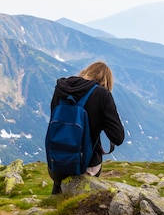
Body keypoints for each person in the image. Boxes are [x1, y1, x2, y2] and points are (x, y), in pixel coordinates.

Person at [48, 61, 125, 194]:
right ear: (107, 82)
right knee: (94, 165)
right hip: (85, 166)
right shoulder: (103, 95)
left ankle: (57, 195)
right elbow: (118, 137)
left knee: (59, 183)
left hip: (55, 163)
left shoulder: (61, 88)